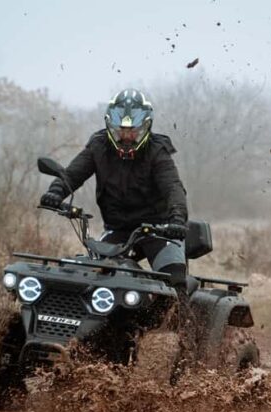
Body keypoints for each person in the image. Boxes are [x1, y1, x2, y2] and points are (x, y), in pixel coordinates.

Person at [39, 88, 191, 302]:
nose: (126, 136)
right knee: (90, 274)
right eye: (121, 130)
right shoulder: (98, 146)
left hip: (160, 230)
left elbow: (173, 188)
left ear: (145, 127)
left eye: (133, 131)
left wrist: (177, 220)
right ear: (110, 126)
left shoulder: (158, 151)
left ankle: (182, 331)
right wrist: (55, 192)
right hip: (118, 229)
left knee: (174, 280)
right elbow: (72, 174)